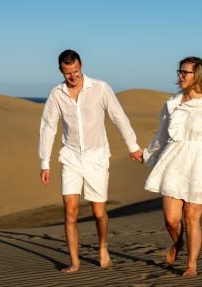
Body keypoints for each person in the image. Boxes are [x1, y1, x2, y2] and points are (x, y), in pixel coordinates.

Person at [39, 49, 143, 273]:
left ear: (81, 66)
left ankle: (103, 246)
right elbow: (48, 128)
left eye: (75, 71)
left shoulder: (100, 88)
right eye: (68, 73)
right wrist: (44, 162)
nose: (73, 77)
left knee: (98, 213)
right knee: (70, 211)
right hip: (71, 157)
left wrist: (133, 146)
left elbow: (118, 116)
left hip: (97, 157)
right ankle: (74, 262)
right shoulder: (56, 94)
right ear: (61, 71)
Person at [143, 56, 202, 276]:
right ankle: (178, 243)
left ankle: (191, 265)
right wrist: (147, 155)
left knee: (191, 217)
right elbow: (161, 136)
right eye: (179, 72)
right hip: (173, 162)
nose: (180, 76)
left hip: (199, 164)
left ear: (198, 75)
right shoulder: (172, 104)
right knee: (171, 220)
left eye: (185, 72)